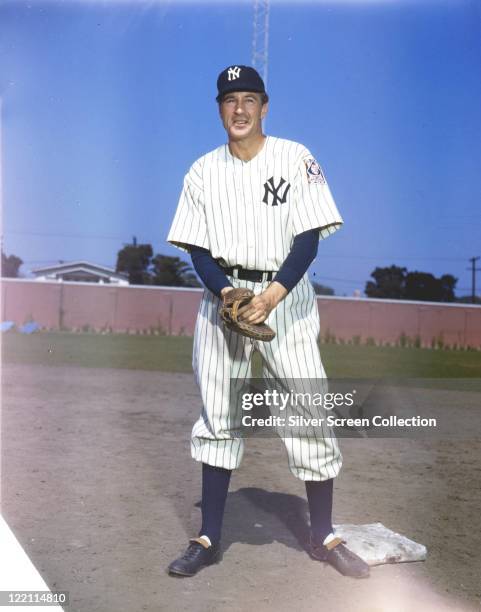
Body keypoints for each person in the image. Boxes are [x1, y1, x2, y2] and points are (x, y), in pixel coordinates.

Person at [166, 65, 369, 579]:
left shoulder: (295, 158)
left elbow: (308, 237)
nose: (239, 109)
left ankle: (323, 534)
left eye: (249, 99)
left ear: (264, 107)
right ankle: (209, 536)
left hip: (289, 300)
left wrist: (274, 293)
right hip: (225, 305)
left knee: (308, 412)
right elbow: (199, 248)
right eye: (230, 99)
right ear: (219, 108)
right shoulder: (201, 171)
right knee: (218, 414)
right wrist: (228, 292)